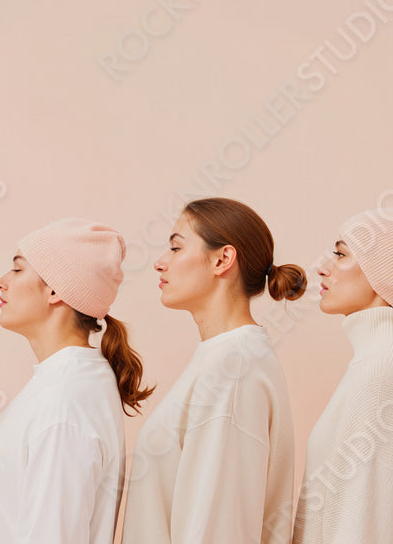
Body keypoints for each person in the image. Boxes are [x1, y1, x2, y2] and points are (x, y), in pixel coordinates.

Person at [121, 198, 306, 544]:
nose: (160, 262)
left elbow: (218, 530)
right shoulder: (227, 360)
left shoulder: (233, 371)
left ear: (222, 259)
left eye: (176, 247)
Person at [0, 218, 152, 544]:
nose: (0, 282)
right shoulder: (65, 383)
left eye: (18, 270)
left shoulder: (65, 401)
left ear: (54, 290)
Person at [293, 208, 393, 544]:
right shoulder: (391, 360)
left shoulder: (384, 372)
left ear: (384, 274)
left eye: (340, 254)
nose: (323, 267)